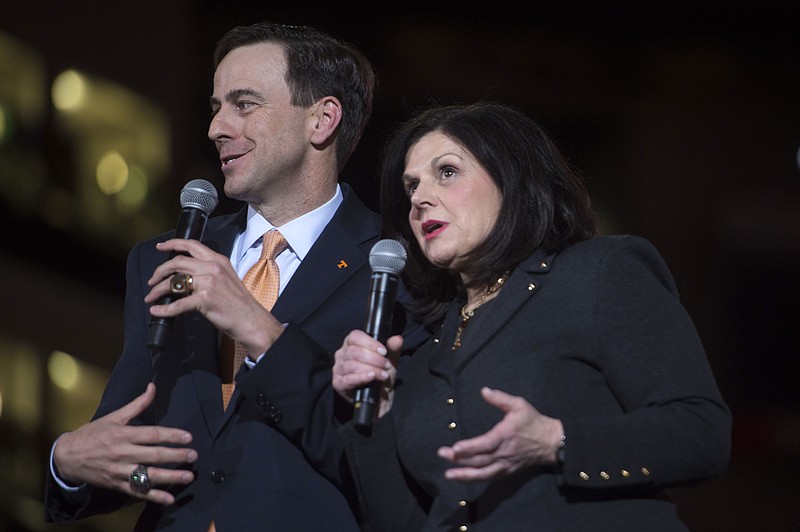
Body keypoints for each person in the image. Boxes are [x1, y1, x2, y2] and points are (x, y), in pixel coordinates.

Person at [44, 21, 419, 531]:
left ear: (322, 120)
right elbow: (131, 450)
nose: (216, 128)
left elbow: (393, 473)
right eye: (216, 107)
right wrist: (67, 464)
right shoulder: (163, 259)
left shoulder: (396, 269)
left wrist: (255, 325)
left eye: (244, 104)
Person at [332, 102, 732, 531]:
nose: (420, 199)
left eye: (447, 172)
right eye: (411, 186)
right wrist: (378, 413)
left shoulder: (599, 272)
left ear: (512, 177)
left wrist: (555, 441)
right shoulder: (425, 344)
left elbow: (701, 434)